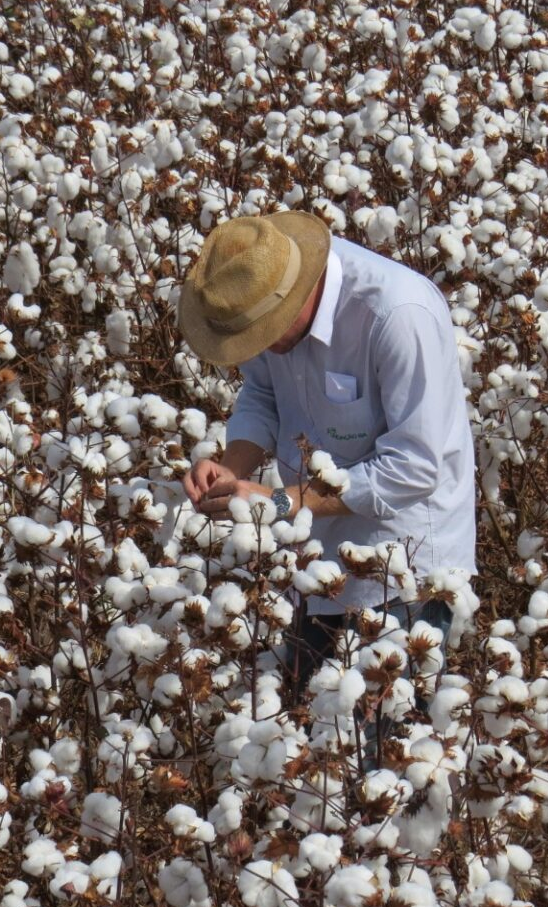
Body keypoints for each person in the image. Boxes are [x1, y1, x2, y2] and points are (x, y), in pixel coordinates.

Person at [176, 211, 476, 744]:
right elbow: (263, 394)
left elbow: (415, 468)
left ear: (294, 295)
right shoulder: (263, 301)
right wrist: (233, 466)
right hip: (317, 555)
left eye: (264, 333)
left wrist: (284, 503)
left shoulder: (395, 314)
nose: (259, 347)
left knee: (386, 744)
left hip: (404, 563)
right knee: (307, 733)